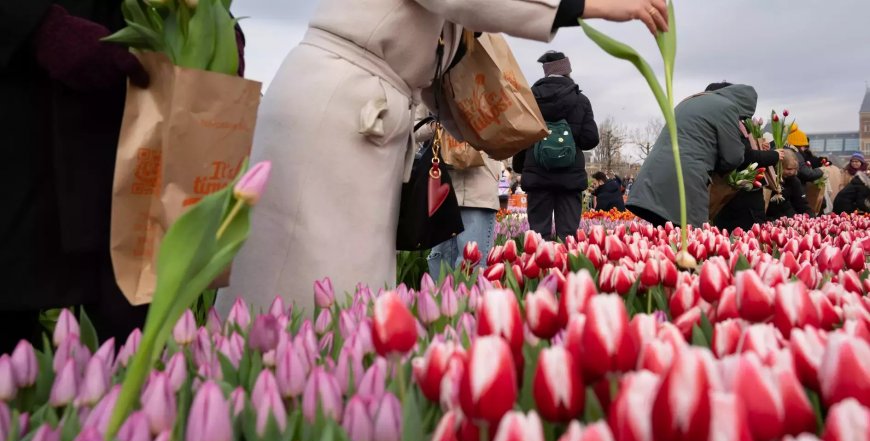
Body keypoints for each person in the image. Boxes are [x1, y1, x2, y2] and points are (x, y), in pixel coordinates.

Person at [218, 0, 669, 314]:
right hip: (337, 109)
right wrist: (588, 4)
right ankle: (269, 419)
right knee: (306, 286)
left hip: (364, 107)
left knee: (344, 292)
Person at [0, 1, 155, 353]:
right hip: (18, 111)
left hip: (131, 135)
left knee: (130, 349)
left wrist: (213, 30)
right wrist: (35, 25)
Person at [627, 83, 783, 228]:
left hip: (649, 182)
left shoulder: (688, 101)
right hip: (687, 183)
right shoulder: (727, 108)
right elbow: (734, 157)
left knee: (663, 243)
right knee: (690, 244)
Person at [512, 51, 599, 240]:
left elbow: (520, 136)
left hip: (537, 176)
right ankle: (566, 269)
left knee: (538, 237)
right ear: (567, 71)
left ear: (546, 72)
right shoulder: (581, 101)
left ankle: (540, 270)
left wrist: (520, 165)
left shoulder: (529, 99)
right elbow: (590, 139)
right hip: (570, 178)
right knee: (567, 238)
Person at [766, 151, 813, 220]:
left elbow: (801, 203)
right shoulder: (769, 180)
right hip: (771, 219)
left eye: (795, 169)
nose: (792, 172)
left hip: (789, 218)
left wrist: (811, 217)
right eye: (788, 169)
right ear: (779, 166)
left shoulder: (794, 180)